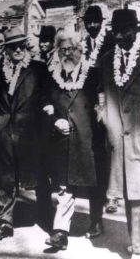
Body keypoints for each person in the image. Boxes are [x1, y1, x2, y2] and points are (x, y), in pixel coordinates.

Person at [98, 9, 140, 257]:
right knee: (131, 192)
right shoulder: (107, 59)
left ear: (136, 29)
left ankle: (139, 245)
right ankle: (136, 242)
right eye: (115, 31)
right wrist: (104, 117)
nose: (120, 36)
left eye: (125, 31)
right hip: (118, 137)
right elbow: (100, 94)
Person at [0, 28, 51, 241]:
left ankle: (45, 215)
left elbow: (46, 96)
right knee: (5, 176)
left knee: (39, 174)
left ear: (26, 46)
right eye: (12, 46)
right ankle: (6, 221)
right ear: (5, 49)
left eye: (21, 45)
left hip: (31, 130)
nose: (17, 50)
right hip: (5, 130)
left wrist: (47, 111)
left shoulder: (38, 69)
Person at [44, 29, 100, 250]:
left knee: (94, 184)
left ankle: (96, 220)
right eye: (63, 49)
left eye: (72, 49)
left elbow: (101, 104)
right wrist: (54, 121)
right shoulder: (52, 77)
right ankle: (60, 232)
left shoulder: (92, 75)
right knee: (64, 187)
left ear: (80, 50)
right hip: (62, 141)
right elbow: (44, 105)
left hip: (88, 141)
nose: (67, 53)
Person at [81, 5, 117, 239]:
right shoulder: (81, 45)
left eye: (96, 22)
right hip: (88, 109)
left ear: (102, 22)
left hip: (111, 105)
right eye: (88, 22)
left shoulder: (112, 42)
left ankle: (111, 195)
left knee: (111, 153)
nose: (92, 26)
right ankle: (96, 214)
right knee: (95, 158)